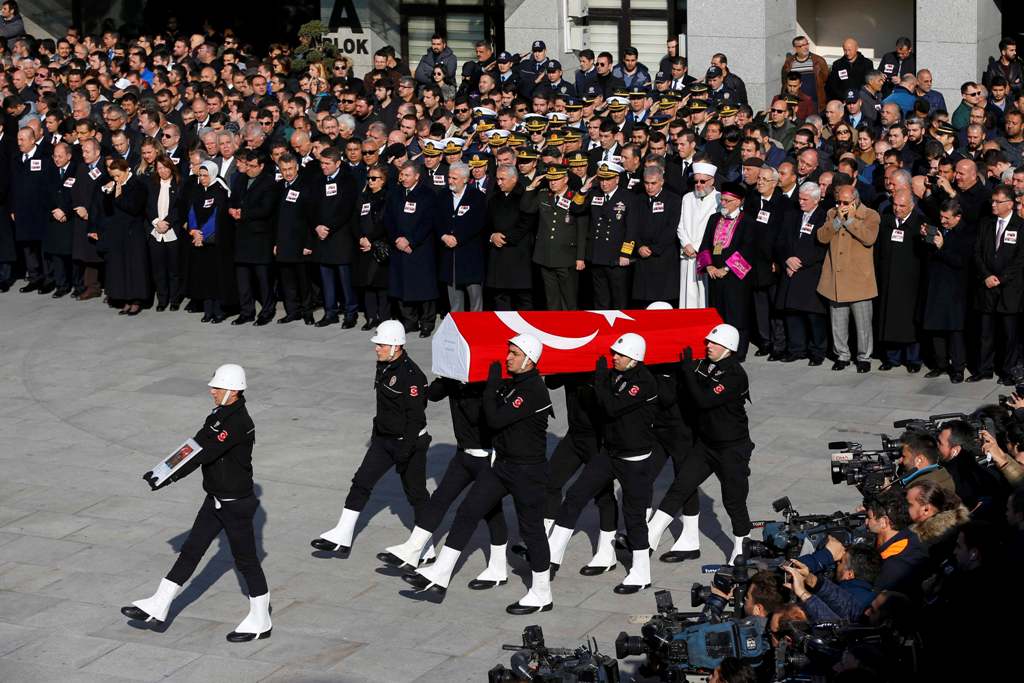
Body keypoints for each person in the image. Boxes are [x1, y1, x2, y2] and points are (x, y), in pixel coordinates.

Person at [403, 335, 555, 616]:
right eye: (509, 351)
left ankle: (542, 593)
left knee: (531, 530)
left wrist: (492, 384)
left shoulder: (533, 390)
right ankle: (441, 574)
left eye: (514, 353)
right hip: (502, 466)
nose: (508, 357)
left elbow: (495, 419)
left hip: (528, 472)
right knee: (467, 511)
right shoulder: (515, 384)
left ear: (529, 359)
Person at [121, 364, 271, 643]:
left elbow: (207, 453)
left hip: (235, 504)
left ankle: (261, 619)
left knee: (247, 561)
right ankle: (159, 604)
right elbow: (195, 444)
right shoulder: (218, 416)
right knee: (191, 551)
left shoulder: (238, 423)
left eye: (217, 387)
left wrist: (170, 478)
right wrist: (162, 469)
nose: (212, 391)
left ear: (234, 391)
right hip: (215, 499)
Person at [548, 334, 657, 593]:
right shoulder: (615, 375)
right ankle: (551, 556)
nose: (614, 357)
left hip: (635, 461)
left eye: (619, 355)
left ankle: (641, 573)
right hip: (610, 454)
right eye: (613, 353)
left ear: (634, 358)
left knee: (634, 516)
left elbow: (611, 406)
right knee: (575, 495)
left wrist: (598, 378)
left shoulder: (643, 382)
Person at [311, 321, 430, 558]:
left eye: (381, 345)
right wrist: (377, 436)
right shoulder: (384, 365)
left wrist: (404, 452)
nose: (377, 348)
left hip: (409, 443)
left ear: (396, 347)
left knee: (416, 495)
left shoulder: (411, 376)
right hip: (383, 440)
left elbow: (415, 418)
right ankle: (342, 536)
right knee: (361, 482)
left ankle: (425, 548)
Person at [377, 376, 509, 589]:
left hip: (487, 457)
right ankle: (413, 548)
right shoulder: (456, 378)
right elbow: (433, 395)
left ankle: (498, 568)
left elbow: (478, 417)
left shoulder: (488, 382)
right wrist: (447, 374)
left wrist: (467, 386)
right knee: (440, 499)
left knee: (492, 512)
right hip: (463, 454)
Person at [664, 324, 754, 565]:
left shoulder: (735, 374)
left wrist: (687, 371)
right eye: (707, 342)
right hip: (706, 446)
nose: (708, 346)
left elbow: (703, 400)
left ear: (729, 348)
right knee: (680, 485)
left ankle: (741, 544)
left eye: (714, 343)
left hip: (731, 448)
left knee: (733, 499)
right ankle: (649, 537)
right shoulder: (706, 364)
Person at [817, 184, 880, 373]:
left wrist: (851, 220)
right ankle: (842, 355)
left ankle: (864, 357)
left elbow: (869, 238)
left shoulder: (870, 215)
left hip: (859, 278)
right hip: (835, 277)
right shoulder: (831, 213)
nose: (841, 205)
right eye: (839, 202)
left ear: (856, 200)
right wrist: (837, 220)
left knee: (862, 324)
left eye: (846, 202)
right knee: (838, 322)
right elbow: (821, 237)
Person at [971, 184, 1024, 384]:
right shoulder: (985, 224)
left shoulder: (1021, 226)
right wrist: (986, 275)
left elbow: (1020, 260)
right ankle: (984, 369)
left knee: (1009, 335)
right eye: (992, 201)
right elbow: (977, 253)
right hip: (986, 287)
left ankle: (1008, 371)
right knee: (986, 332)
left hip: (1009, 290)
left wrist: (1001, 278)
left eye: (997, 201)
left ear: (1010, 204)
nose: (993, 205)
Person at [698, 182, 756, 359]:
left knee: (737, 314)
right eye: (722, 199)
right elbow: (705, 244)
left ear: (738, 202)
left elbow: (747, 249)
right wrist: (708, 266)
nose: (723, 203)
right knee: (718, 313)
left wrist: (726, 268)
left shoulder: (747, 222)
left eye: (727, 200)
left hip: (736, 277)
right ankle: (720, 349)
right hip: (715, 275)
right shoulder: (714, 219)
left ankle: (739, 351)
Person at [774, 181, 829, 365]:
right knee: (792, 313)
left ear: (816, 200)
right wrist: (787, 259)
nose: (801, 202)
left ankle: (817, 351)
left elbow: (821, 247)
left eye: (805, 199)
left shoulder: (823, 217)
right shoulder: (792, 215)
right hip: (790, 271)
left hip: (810, 272)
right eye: (800, 198)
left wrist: (800, 263)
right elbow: (780, 241)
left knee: (813, 316)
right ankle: (796, 348)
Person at [384, 162, 441, 336]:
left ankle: (427, 322)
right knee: (402, 286)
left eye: (407, 175)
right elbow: (389, 219)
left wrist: (411, 241)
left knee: (424, 287)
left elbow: (428, 222)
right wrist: (397, 239)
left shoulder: (428, 194)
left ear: (416, 176)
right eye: (402, 175)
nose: (403, 178)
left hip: (419, 248)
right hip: (399, 247)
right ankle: (409, 321)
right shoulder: (395, 193)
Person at [920, 199, 974, 382]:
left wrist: (942, 248)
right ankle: (940, 364)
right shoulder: (938, 228)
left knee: (954, 331)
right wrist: (925, 238)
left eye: (947, 218)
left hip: (955, 289)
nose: (943, 221)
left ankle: (958, 368)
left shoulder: (966, 233)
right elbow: (927, 253)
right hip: (935, 285)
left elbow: (961, 261)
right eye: (941, 217)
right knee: (936, 328)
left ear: (958, 217)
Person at [521, 164, 588, 310]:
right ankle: (555, 328)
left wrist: (580, 257)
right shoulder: (543, 194)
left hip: (567, 256)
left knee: (569, 299)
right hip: (545, 255)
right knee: (551, 299)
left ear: (565, 179)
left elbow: (582, 230)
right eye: (550, 179)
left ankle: (570, 330)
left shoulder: (576, 198)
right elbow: (527, 208)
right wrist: (531, 187)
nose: (552, 182)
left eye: (556, 179)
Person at [310, 146, 360, 328]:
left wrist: (328, 227)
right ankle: (330, 312)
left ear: (337, 163)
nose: (323, 167)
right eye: (321, 163)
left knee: (345, 278)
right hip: (321, 236)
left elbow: (345, 209)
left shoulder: (348, 180)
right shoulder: (317, 180)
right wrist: (317, 226)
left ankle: (350, 312)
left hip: (340, 236)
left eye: (327, 164)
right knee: (326, 278)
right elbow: (311, 206)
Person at [875, 189, 924, 372]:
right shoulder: (886, 221)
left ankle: (913, 359)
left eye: (902, 206)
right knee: (889, 319)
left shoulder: (920, 224)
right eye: (895, 205)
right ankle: (892, 358)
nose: (897, 209)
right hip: (888, 279)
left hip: (910, 282)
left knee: (909, 322)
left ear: (911, 206)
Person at [231, 150, 278, 326]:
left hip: (260, 237)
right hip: (242, 236)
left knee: (263, 278)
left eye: (252, 166)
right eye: (247, 165)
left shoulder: (269, 183)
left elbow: (266, 209)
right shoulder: (240, 179)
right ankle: (247, 311)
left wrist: (243, 213)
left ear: (261, 166)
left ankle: (267, 310)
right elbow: (233, 199)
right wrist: (232, 209)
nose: (248, 169)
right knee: (242, 278)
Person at [99, 157, 150, 315]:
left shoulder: (138, 185)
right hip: (117, 232)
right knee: (120, 267)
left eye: (118, 176)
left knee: (134, 267)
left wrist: (119, 195)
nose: (116, 179)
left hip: (133, 232)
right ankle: (124, 298)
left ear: (126, 171)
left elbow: (134, 208)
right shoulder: (114, 185)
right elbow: (108, 209)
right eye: (113, 176)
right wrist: (107, 193)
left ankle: (136, 300)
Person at [586, 160, 640, 309]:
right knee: (600, 298)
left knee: (619, 298)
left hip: (616, 256)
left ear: (617, 179)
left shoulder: (628, 197)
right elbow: (577, 209)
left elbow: (632, 229)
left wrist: (626, 253)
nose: (604, 183)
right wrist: (583, 190)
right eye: (601, 179)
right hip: (597, 254)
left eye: (608, 179)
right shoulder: (594, 194)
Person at [185, 160, 231, 323]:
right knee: (203, 277)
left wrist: (202, 234)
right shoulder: (198, 190)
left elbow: (216, 216)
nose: (202, 178)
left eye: (205, 175)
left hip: (214, 242)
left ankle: (218, 309)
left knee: (216, 277)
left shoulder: (219, 190)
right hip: (199, 241)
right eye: (200, 175)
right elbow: (191, 211)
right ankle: (207, 309)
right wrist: (194, 230)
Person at [272, 153, 315, 325]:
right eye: (284, 170)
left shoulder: (306, 186)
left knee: (304, 280)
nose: (288, 173)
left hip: (300, 242)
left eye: (290, 169)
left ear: (296, 167)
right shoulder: (278, 187)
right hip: (283, 242)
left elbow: (311, 217)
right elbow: (275, 219)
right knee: (287, 280)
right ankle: (292, 311)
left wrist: (308, 243)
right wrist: (275, 242)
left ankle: (307, 312)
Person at [485, 164, 533, 310]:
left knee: (523, 298)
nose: (499, 182)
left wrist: (505, 238)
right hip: (498, 255)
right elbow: (486, 222)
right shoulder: (494, 198)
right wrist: (492, 236)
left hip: (519, 254)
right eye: (497, 179)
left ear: (514, 179)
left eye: (502, 179)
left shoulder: (524, 196)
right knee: (500, 296)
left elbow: (526, 223)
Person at [631, 166, 681, 306]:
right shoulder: (637, 200)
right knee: (643, 301)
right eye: (646, 183)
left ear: (662, 182)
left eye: (653, 183)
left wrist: (654, 248)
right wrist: (639, 246)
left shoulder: (673, 200)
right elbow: (632, 226)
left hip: (664, 257)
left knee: (663, 301)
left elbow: (671, 228)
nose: (649, 187)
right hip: (642, 257)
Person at [440, 162, 487, 311]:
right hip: (449, 253)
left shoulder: (477, 196)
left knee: (475, 297)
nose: (450, 181)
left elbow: (477, 223)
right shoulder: (443, 195)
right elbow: (435, 218)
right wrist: (443, 236)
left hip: (469, 253)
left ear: (465, 179)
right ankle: (456, 328)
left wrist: (458, 238)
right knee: (455, 299)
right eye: (449, 177)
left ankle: (477, 328)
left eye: (454, 178)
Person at [353, 164, 392, 328]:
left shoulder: (387, 198)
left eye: (374, 178)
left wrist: (370, 238)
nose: (370, 181)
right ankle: (371, 317)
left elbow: (385, 222)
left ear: (383, 181)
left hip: (379, 245)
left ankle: (383, 318)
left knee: (381, 284)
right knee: (367, 283)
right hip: (364, 246)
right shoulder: (363, 197)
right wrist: (361, 237)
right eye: (369, 178)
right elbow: (355, 220)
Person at [677, 161, 719, 308]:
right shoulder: (687, 198)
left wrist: (696, 247)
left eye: (703, 181)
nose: (699, 185)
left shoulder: (719, 199)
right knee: (687, 294)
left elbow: (717, 229)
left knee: (704, 294)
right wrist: (686, 244)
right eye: (696, 181)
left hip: (705, 253)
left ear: (712, 180)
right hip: (687, 253)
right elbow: (681, 225)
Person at [146, 155, 183, 311]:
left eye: (165, 167)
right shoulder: (152, 184)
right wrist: (156, 222)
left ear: (171, 167)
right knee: (158, 269)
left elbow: (179, 207)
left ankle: (174, 299)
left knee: (174, 269)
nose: (162, 171)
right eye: (159, 168)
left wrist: (167, 222)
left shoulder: (179, 184)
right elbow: (148, 206)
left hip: (171, 232)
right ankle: (162, 299)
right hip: (156, 232)